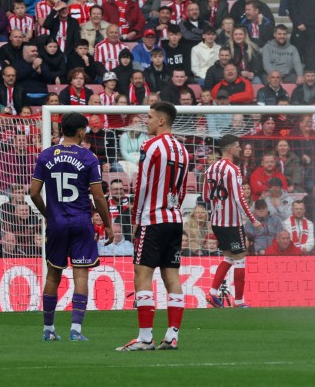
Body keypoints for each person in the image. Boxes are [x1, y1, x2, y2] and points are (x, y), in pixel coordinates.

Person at [30, 113, 113, 341]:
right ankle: (76, 330)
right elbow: (98, 197)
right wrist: (108, 225)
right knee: (81, 276)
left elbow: (33, 192)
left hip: (57, 224)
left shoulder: (46, 155)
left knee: (53, 276)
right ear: (80, 132)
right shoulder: (88, 157)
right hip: (81, 223)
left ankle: (48, 330)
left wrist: (48, 214)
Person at [117, 102, 191, 351]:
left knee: (142, 275)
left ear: (161, 120)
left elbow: (142, 185)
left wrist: (136, 219)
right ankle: (172, 335)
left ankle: (145, 337)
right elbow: (180, 190)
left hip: (153, 219)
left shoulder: (150, 146)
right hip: (175, 219)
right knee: (172, 276)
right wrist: (174, 210)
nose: (145, 121)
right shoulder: (183, 150)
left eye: (149, 117)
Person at [203, 134, 262, 308]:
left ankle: (213, 294)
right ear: (229, 149)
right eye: (237, 146)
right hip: (231, 223)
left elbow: (206, 196)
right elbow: (239, 198)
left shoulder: (210, 169)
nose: (240, 149)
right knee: (240, 259)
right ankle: (239, 302)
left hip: (216, 221)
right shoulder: (233, 169)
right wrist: (253, 219)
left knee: (229, 257)